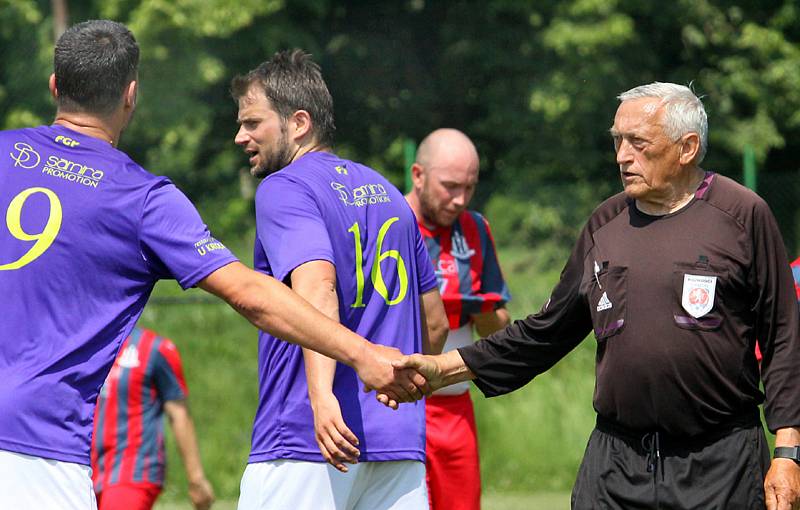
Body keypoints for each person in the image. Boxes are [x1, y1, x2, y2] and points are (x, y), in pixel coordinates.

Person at [0, 20, 426, 509]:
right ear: (130, 95)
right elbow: (251, 294)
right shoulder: (143, 199)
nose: (240, 136)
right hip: (35, 452)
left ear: (54, 85)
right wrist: (362, 354)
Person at [394, 82, 800, 510]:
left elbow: (784, 339)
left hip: (721, 466)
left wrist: (788, 452)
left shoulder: (742, 216)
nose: (622, 156)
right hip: (616, 467)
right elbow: (544, 333)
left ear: (687, 147)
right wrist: (443, 368)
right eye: (618, 140)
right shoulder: (606, 223)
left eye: (638, 143)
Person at [231, 49, 449, 510]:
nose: (240, 136)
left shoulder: (284, 187)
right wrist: (404, 387)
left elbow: (317, 289)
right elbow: (436, 320)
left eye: (253, 123)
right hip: (399, 442)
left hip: (311, 439)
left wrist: (322, 399)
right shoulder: (389, 194)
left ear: (298, 123)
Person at [405, 128, 511, 510]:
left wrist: (479, 308)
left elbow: (500, 325)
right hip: (400, 403)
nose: (460, 200)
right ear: (418, 175)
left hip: (456, 403)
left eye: (469, 187)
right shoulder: (390, 224)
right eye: (449, 186)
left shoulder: (476, 229)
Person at [92, 326, 214, 510]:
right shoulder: (85, 347)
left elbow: (178, 413)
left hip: (133, 469)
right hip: (85, 468)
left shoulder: (156, 348)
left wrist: (196, 478)